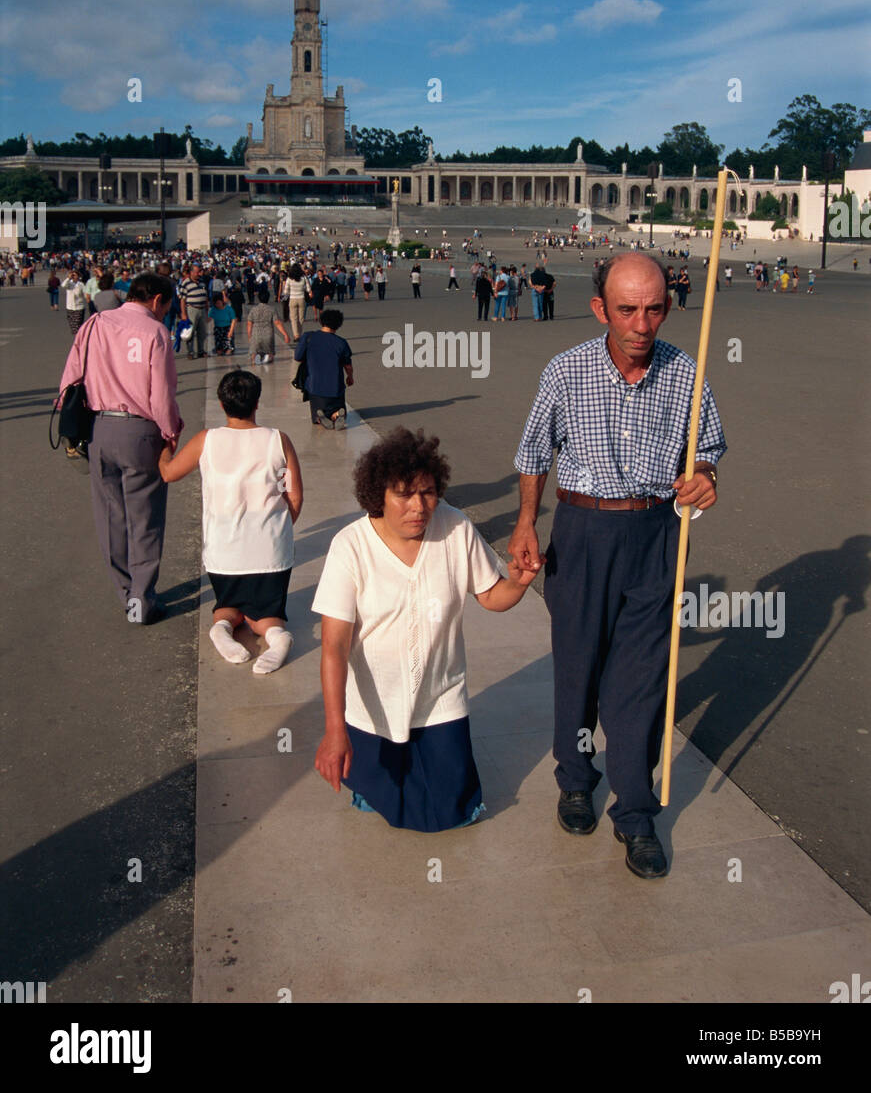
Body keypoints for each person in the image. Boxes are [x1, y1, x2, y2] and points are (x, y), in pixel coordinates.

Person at [508, 254, 725, 880]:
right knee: (577, 666)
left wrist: (706, 480)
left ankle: (635, 812)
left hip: (656, 532)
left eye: (654, 308)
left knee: (641, 681)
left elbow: (706, 453)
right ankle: (576, 778)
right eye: (627, 309)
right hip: (582, 531)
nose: (642, 323)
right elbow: (533, 451)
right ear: (602, 308)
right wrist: (526, 521)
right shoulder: (565, 371)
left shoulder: (688, 371)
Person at [312, 427, 537, 830]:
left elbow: (491, 597)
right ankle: (368, 775)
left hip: (440, 696)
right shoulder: (350, 546)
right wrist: (333, 730)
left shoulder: (455, 528)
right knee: (384, 798)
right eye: (404, 493)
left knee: (449, 813)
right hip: (374, 704)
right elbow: (334, 646)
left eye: (428, 492)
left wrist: (520, 580)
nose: (419, 506)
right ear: (378, 494)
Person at [56, 272, 182, 623]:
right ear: (157, 300)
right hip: (140, 430)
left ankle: (125, 591)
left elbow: (70, 378)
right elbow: (161, 395)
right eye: (166, 306)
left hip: (99, 428)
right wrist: (170, 432)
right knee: (145, 516)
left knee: (111, 515)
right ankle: (143, 598)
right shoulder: (156, 332)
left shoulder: (95, 323)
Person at [159, 369, 302, 675]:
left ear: (222, 405)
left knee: (227, 607)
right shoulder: (278, 440)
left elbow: (169, 474)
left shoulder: (206, 440)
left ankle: (221, 629)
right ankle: (277, 636)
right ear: (257, 403)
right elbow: (295, 496)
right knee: (266, 618)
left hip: (224, 555)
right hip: (271, 554)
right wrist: (279, 530)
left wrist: (164, 452)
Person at [294, 309, 353, 429]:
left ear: (321, 321)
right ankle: (336, 414)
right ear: (339, 324)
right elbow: (348, 365)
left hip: (315, 386)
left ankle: (323, 418)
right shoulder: (341, 343)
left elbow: (298, 358)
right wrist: (350, 377)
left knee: (317, 418)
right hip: (336, 387)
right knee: (340, 410)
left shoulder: (308, 337)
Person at [246, 285, 290, 364]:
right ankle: (268, 358)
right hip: (268, 334)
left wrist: (249, 336)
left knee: (254, 352)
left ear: (259, 298)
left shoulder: (253, 309)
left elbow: (249, 324)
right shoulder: (271, 309)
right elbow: (277, 323)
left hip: (256, 334)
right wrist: (285, 334)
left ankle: (255, 359)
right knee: (270, 352)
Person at [178, 264, 209, 359]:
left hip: (202, 309)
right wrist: (183, 314)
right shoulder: (185, 283)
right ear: (191, 272)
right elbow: (182, 299)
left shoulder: (202, 283)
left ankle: (201, 350)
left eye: (200, 272)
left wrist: (207, 311)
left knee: (202, 332)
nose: (199, 274)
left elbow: (206, 297)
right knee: (190, 332)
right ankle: (190, 352)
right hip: (191, 309)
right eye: (197, 272)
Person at [209, 289, 237, 356]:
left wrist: (231, 331)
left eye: (219, 303)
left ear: (222, 301)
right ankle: (219, 349)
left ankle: (229, 349)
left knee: (228, 350)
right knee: (219, 351)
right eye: (216, 304)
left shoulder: (228, 309)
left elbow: (234, 320)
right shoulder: (213, 309)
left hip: (227, 327)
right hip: (218, 328)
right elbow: (208, 319)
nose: (217, 305)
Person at [61, 269, 88, 336]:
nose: (73, 276)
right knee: (73, 326)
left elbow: (85, 294)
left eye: (75, 275)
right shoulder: (69, 283)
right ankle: (78, 338)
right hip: (70, 307)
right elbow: (63, 285)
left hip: (79, 307)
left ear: (78, 276)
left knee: (77, 326)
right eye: (72, 275)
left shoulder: (81, 284)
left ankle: (78, 339)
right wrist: (68, 278)